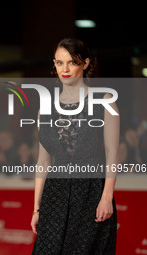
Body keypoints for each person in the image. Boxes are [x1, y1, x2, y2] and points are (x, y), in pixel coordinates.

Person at [31, 38, 119, 254]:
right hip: (55, 194)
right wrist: (37, 208)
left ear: (86, 63)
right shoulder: (45, 108)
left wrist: (106, 197)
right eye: (60, 63)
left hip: (91, 193)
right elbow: (43, 162)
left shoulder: (104, 101)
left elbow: (112, 153)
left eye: (72, 62)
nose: (65, 69)